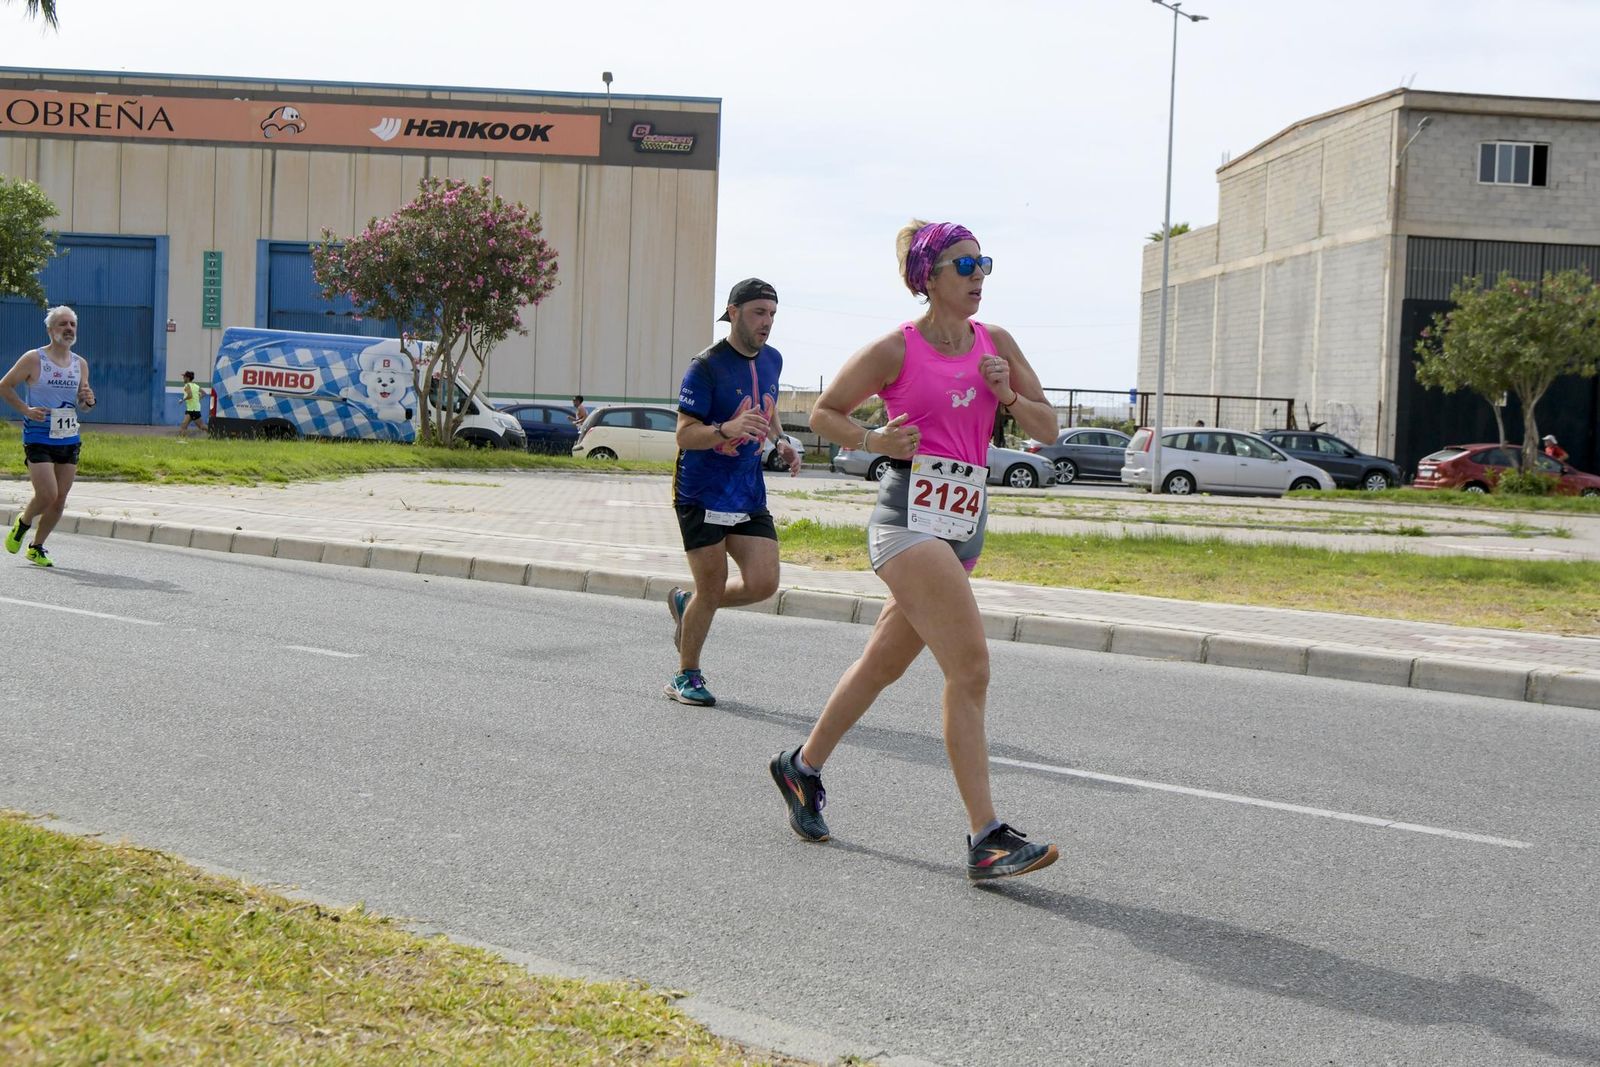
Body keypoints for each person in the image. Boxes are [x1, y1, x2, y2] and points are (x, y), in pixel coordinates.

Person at [770, 221, 1061, 881]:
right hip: (906, 522)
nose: (978, 273)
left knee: (880, 666)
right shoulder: (895, 350)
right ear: (929, 277)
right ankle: (986, 836)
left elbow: (1048, 426)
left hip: (964, 525)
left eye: (984, 261)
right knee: (971, 668)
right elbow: (823, 413)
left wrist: (1008, 393)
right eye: (964, 265)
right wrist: (876, 441)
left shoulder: (998, 344)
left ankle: (802, 767)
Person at [665, 278, 799, 707]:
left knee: (763, 583)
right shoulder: (705, 366)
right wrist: (727, 428)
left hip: (746, 492)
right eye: (760, 312)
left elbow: (768, 408)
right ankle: (685, 675)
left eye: (773, 314)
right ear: (734, 311)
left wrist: (780, 440)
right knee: (714, 585)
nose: (768, 323)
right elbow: (684, 436)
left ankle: (688, 606)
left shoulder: (773, 360)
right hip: (701, 492)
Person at [1, 305, 96, 568]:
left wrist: (88, 400)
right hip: (39, 435)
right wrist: (25, 410)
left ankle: (36, 547)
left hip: (68, 437)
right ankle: (23, 523)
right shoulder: (34, 359)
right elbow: (5, 386)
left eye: (72, 325)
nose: (68, 329)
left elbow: (84, 404)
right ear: (51, 330)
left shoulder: (80, 364)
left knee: (60, 498)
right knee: (47, 494)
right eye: (62, 324)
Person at [177, 370, 206, 438]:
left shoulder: (187, 386)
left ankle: (214, 433)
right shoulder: (196, 385)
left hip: (193, 410)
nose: (183, 378)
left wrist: (182, 400)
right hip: (192, 409)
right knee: (184, 425)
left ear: (188, 378)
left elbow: (190, 396)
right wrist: (198, 399)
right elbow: (204, 393)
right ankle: (181, 439)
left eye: (184, 377)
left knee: (201, 426)